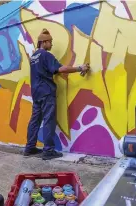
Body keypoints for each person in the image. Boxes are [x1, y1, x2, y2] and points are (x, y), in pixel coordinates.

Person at [24, 28, 90, 160]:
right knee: (49, 120)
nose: (52, 45)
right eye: (50, 42)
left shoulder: (33, 57)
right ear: (44, 42)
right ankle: (48, 150)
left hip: (36, 93)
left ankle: (30, 147)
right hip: (46, 92)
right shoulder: (46, 55)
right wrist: (79, 68)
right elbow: (61, 69)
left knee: (35, 121)